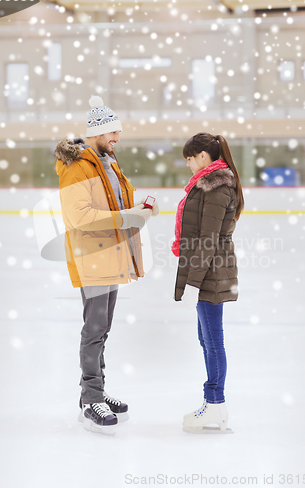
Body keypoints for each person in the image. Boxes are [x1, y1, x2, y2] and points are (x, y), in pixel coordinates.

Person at [54, 95, 159, 434]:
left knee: (103, 328)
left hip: (111, 252)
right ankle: (90, 399)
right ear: (97, 132)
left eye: (118, 133)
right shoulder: (78, 167)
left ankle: (98, 390)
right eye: (112, 133)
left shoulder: (108, 162)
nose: (117, 139)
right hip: (93, 256)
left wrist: (140, 206)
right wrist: (126, 216)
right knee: (94, 328)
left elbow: (118, 201)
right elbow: (79, 217)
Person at [172, 132, 244, 432]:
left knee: (213, 341)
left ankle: (215, 403)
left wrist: (193, 283)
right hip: (209, 270)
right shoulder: (207, 184)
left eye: (189, 159)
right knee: (208, 339)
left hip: (209, 273)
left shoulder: (215, 187)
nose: (188, 165)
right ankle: (214, 404)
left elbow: (207, 240)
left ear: (202, 156)